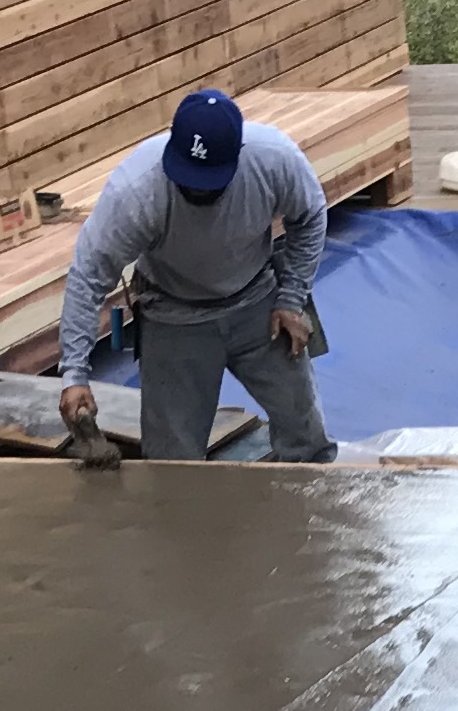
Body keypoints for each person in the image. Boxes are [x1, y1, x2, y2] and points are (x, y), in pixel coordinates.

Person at [57, 88, 332, 464]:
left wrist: (291, 299)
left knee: (307, 435)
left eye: (210, 181)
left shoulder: (272, 159)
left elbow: (311, 215)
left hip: (258, 302)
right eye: (189, 178)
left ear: (236, 158)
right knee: (172, 465)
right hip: (174, 315)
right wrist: (75, 374)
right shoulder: (137, 191)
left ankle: (306, 511)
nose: (198, 189)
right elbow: (88, 276)